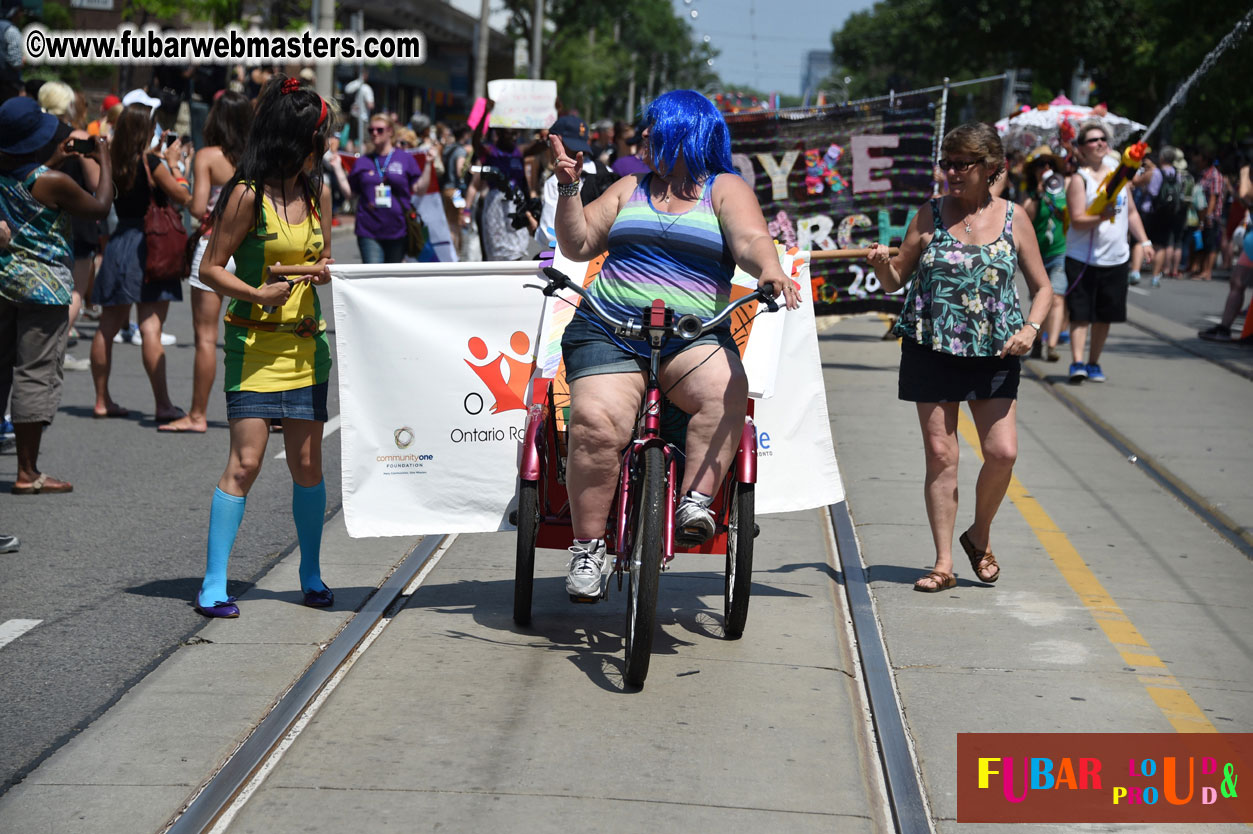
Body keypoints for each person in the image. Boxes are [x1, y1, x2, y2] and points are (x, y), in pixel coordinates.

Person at [548, 89, 799, 600]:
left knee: (726, 392)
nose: (641, 138)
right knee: (596, 423)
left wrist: (770, 269)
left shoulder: (723, 188)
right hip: (610, 331)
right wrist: (569, 189)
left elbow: (750, 240)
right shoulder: (628, 187)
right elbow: (576, 245)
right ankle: (589, 549)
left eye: (651, 129)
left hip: (692, 335)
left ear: (682, 134)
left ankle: (696, 503)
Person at [866, 122, 1053, 593]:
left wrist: (1031, 328)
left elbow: (1044, 288)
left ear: (991, 168)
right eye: (945, 163)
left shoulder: (1014, 218)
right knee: (941, 455)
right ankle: (944, 561)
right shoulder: (928, 214)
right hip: (932, 347)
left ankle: (979, 533)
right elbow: (895, 282)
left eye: (960, 164)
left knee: (1002, 452)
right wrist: (880, 266)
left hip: (994, 350)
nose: (950, 172)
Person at [194, 73, 336, 618]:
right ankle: (213, 583)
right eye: (317, 137)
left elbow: (321, 258)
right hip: (254, 344)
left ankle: (311, 573)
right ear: (291, 138)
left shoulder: (315, 190)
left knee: (306, 461)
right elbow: (210, 269)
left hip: (307, 347)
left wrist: (320, 272)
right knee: (247, 462)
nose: (322, 147)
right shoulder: (246, 195)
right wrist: (257, 292)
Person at [0, 96, 113, 494]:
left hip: (3, 283)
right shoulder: (53, 181)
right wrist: (102, 157)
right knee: (34, 374)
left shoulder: (15, 173)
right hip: (43, 290)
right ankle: (28, 472)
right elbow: (100, 207)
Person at [88, 99, 192, 421]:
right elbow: (183, 198)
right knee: (151, 328)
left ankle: (102, 400)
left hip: (120, 244)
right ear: (146, 129)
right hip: (150, 246)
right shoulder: (151, 162)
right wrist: (174, 164)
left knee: (107, 326)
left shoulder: (114, 161)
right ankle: (162, 404)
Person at [160, 90, 253, 434]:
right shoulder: (257, 157)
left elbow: (199, 208)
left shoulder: (208, 156)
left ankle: (198, 414)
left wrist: (176, 174)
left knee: (206, 337)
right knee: (255, 334)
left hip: (212, 248)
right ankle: (268, 412)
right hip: (248, 251)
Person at [1062, 121, 1153, 384]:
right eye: (1093, 140)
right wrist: (1101, 217)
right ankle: (1077, 362)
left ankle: (1093, 363)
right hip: (1083, 257)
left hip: (1116, 257)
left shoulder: (1119, 176)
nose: (1100, 143)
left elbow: (1131, 212)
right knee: (1080, 314)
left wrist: (1144, 241)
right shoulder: (1080, 180)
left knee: (1104, 315)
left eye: (1103, 139)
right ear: (1081, 148)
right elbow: (1077, 220)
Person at [347, 114, 430, 263]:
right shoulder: (363, 161)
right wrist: (338, 170)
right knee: (373, 276)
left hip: (398, 229)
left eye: (379, 130)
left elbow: (419, 189)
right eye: (371, 130)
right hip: (368, 229)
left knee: (391, 280)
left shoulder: (404, 158)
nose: (374, 133)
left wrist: (429, 165)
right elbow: (350, 193)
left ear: (390, 131)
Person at [470, 105, 545, 261]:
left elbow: (541, 145)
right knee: (497, 245)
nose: (514, 137)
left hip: (516, 203)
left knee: (518, 244)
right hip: (496, 206)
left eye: (516, 133)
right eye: (510, 133)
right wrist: (486, 113)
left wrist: (549, 117)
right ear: (499, 134)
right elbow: (475, 140)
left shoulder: (520, 151)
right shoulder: (490, 152)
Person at [1020, 146, 1068, 362]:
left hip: (1058, 251)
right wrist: (1039, 193)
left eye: (1049, 164)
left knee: (1057, 297)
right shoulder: (1030, 192)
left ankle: (1052, 345)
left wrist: (1052, 194)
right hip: (1036, 255)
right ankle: (1038, 340)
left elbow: (1066, 214)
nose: (1045, 168)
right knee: (1039, 299)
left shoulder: (1062, 188)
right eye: (1041, 165)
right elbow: (1024, 215)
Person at [1199, 161, 1253, 342]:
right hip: (1251, 241)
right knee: (1236, 282)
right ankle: (1224, 328)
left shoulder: (1246, 175)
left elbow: (1246, 194)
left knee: (1238, 281)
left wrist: (1244, 173)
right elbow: (1243, 199)